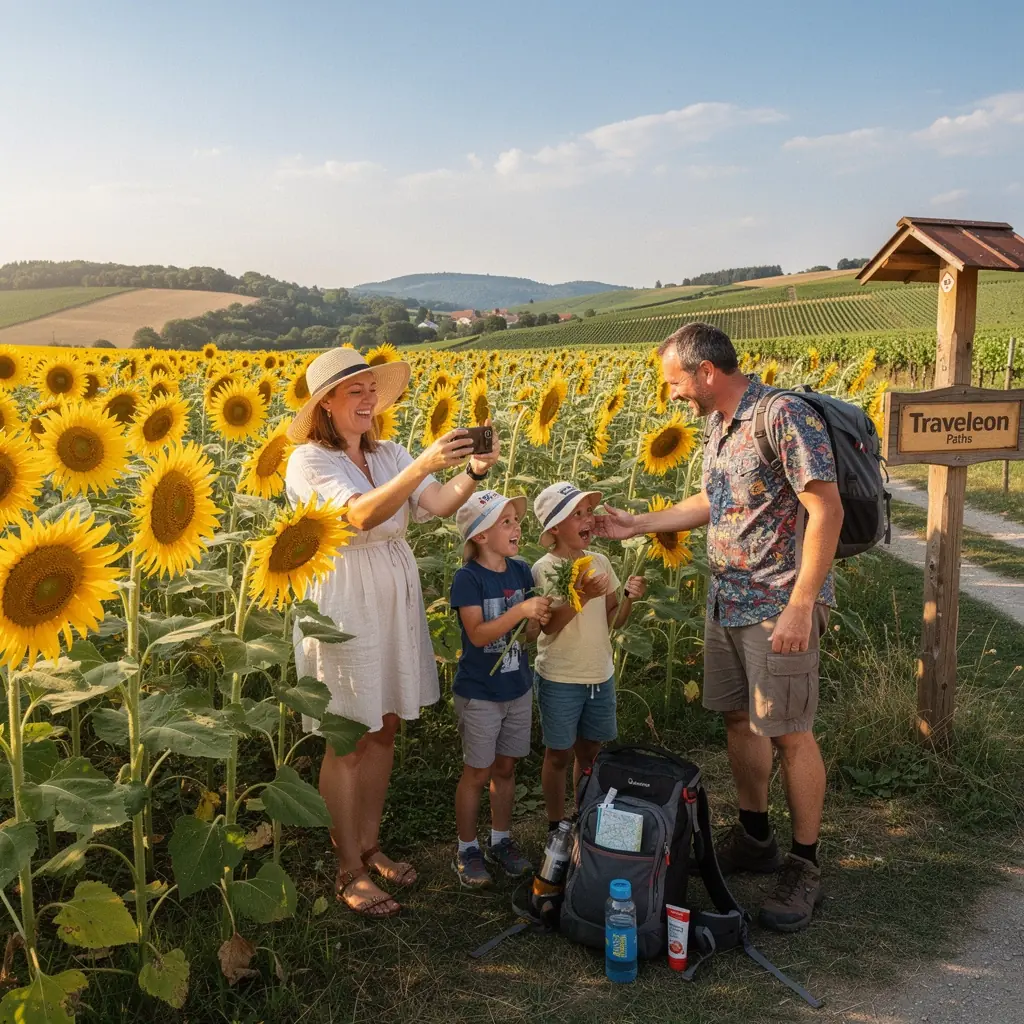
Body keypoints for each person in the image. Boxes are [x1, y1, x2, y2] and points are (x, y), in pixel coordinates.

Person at [594, 322, 844, 933]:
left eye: (674, 382)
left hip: (777, 602)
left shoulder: (781, 416)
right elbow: (717, 502)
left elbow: (826, 509)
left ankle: (804, 865)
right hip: (727, 598)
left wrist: (801, 605)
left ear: (706, 372)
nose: (671, 394)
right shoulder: (719, 424)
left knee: (789, 732)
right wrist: (639, 523)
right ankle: (756, 836)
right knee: (739, 719)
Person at [284, 347, 500, 918]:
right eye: (353, 391)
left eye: (371, 390)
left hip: (392, 591)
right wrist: (422, 465)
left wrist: (473, 472)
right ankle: (347, 869)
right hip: (342, 599)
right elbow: (360, 515)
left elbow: (439, 503)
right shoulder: (308, 461)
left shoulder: (390, 453)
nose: (367, 399)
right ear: (325, 404)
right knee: (347, 734)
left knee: (383, 727)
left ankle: (369, 845)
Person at [449, 490, 552, 887]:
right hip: (480, 692)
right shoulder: (468, 578)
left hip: (517, 687)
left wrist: (537, 619)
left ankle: (501, 840)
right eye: (505, 521)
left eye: (516, 520)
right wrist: (520, 611)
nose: (516, 527)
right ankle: (466, 848)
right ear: (480, 536)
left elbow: (526, 636)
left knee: (505, 768)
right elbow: (477, 635)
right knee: (477, 771)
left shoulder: (521, 571)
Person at [531, 482, 647, 832]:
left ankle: (585, 816)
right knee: (558, 755)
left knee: (590, 754)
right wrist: (580, 595)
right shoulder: (545, 568)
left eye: (588, 512)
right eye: (577, 514)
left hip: (599, 674)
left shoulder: (600, 562)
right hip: (560, 677)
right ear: (554, 527)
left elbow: (613, 619)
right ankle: (556, 825)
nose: (588, 519)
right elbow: (548, 627)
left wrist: (629, 598)